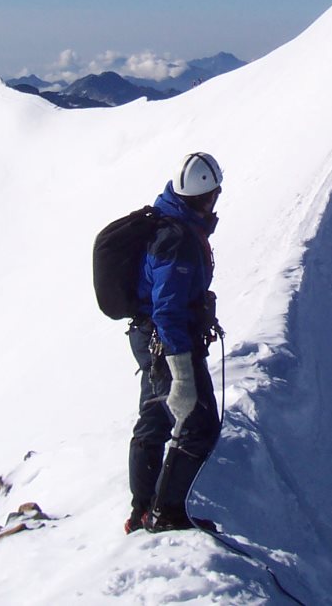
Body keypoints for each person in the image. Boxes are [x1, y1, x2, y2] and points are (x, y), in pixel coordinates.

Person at [125, 152, 225, 534]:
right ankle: (165, 513)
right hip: (168, 342)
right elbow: (168, 310)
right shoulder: (178, 240)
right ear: (206, 196)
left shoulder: (170, 220)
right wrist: (182, 374)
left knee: (155, 416)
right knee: (199, 425)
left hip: (149, 336)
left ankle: (142, 511)